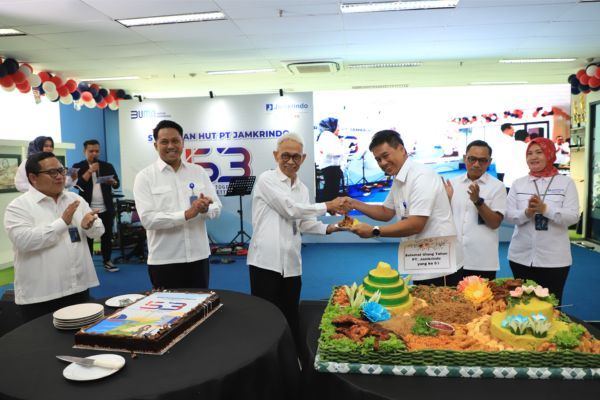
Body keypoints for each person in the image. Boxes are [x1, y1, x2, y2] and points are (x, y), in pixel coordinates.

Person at [247, 132, 347, 347]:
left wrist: (334, 227)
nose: (290, 161)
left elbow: (304, 222)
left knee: (291, 314)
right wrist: (328, 205)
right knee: (265, 318)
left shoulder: (302, 188)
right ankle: (267, 362)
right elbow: (290, 209)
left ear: (303, 158)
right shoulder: (267, 179)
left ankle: (292, 360)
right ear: (276, 155)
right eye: (285, 156)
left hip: (292, 264)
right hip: (265, 262)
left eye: (296, 157)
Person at [348, 130, 458, 286]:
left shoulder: (421, 176)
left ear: (402, 149)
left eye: (386, 156)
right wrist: (353, 203)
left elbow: (416, 225)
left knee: (440, 308)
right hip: (420, 258)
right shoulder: (399, 178)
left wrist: (374, 231)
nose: (382, 163)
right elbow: (386, 212)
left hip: (439, 262)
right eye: (378, 159)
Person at [4, 152, 103, 322]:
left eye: (61, 171)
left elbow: (98, 232)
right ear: (33, 178)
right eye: (52, 173)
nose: (60, 177)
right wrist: (62, 223)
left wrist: (90, 225)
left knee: (82, 341)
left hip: (78, 288)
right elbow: (24, 241)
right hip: (42, 296)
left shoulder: (75, 199)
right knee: (44, 346)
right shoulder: (19, 207)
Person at [133, 120, 222, 289]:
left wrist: (206, 208)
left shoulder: (198, 172)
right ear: (155, 145)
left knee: (200, 309)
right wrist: (187, 214)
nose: (171, 146)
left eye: (175, 141)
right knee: (168, 313)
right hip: (165, 260)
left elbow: (217, 207)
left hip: (199, 257)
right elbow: (148, 220)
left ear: (182, 143)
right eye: (164, 142)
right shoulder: (145, 177)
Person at [505, 137, 579, 304]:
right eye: (529, 153)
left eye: (539, 152)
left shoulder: (566, 183)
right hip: (520, 257)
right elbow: (508, 215)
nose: (533, 157)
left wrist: (545, 210)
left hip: (554, 259)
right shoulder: (518, 184)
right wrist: (527, 213)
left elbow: (573, 216)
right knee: (523, 305)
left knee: (551, 306)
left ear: (550, 154)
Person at [443, 140, 507, 282]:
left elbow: (495, 223)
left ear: (489, 161)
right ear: (465, 158)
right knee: (452, 302)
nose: (476, 164)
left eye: (482, 160)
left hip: (482, 261)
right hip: (453, 259)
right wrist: (445, 201)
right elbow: (443, 219)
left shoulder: (497, 187)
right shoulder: (452, 184)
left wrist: (478, 201)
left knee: (480, 303)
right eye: (472, 159)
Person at [73, 140, 120, 272]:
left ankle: (107, 261)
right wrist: (89, 171)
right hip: (87, 208)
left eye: (97, 151)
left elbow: (117, 184)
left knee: (107, 235)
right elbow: (77, 185)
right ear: (84, 151)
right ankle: (88, 263)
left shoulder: (107, 166)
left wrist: (114, 182)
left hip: (106, 207)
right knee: (88, 236)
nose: (95, 153)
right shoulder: (78, 166)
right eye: (91, 151)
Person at [315, 117, 345, 202]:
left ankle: (330, 208)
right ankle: (329, 208)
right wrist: (342, 149)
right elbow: (331, 151)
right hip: (330, 167)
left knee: (332, 189)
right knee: (331, 190)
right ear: (332, 125)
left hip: (332, 167)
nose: (338, 128)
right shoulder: (327, 135)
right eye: (337, 125)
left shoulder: (328, 135)